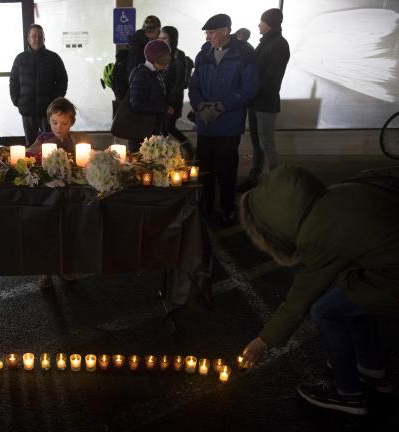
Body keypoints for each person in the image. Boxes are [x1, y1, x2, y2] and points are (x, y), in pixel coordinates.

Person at [240, 165, 398, 416]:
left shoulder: (316, 231)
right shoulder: (334, 195)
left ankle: (348, 394)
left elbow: (300, 298)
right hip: (385, 268)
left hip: (392, 278)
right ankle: (371, 370)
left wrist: (263, 341)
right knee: (351, 298)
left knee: (325, 310)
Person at [188, 13, 257, 223]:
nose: (208, 37)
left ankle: (227, 209)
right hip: (206, 124)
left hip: (229, 124)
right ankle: (206, 208)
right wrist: (199, 105)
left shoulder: (244, 55)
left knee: (227, 170)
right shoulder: (203, 56)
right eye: (207, 33)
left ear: (226, 31)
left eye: (212, 32)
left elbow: (249, 88)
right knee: (204, 169)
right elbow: (194, 85)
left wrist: (221, 106)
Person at [27, 97, 88, 289]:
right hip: (48, 195)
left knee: (67, 232)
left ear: (71, 123)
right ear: (49, 121)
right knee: (48, 232)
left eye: (64, 123)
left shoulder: (73, 140)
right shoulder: (44, 138)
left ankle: (65, 267)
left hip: (68, 196)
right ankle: (45, 271)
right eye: (54, 123)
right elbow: (29, 152)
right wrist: (41, 148)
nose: (58, 127)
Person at [238, 9, 290, 193]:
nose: (258, 25)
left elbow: (271, 78)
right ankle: (254, 177)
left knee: (266, 142)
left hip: (265, 102)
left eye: (261, 21)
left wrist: (251, 89)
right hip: (255, 100)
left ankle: (274, 182)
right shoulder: (265, 43)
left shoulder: (279, 45)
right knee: (256, 141)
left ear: (270, 24)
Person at [10, 24, 68, 146]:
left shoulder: (53, 58)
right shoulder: (20, 59)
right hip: (27, 111)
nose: (37, 39)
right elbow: (13, 82)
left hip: (48, 112)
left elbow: (63, 81)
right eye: (34, 36)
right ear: (28, 39)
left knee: (51, 144)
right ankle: (32, 165)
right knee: (31, 145)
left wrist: (56, 102)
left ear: (44, 38)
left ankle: (50, 165)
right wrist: (17, 101)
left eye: (40, 36)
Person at [125, 39, 171, 153]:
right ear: (156, 59)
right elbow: (137, 105)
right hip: (142, 135)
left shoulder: (155, 73)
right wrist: (163, 108)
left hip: (151, 131)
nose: (168, 61)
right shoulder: (141, 75)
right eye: (165, 58)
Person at [159, 25, 193, 157]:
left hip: (173, 99)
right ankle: (166, 154)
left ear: (172, 39)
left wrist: (171, 103)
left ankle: (177, 151)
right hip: (161, 99)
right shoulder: (160, 53)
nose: (162, 40)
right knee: (165, 128)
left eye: (165, 38)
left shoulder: (179, 55)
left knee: (168, 127)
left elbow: (180, 81)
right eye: (160, 38)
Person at [125, 15, 161, 83]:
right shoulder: (140, 48)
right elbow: (135, 73)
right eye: (158, 30)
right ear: (150, 31)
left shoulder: (140, 43)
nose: (159, 33)